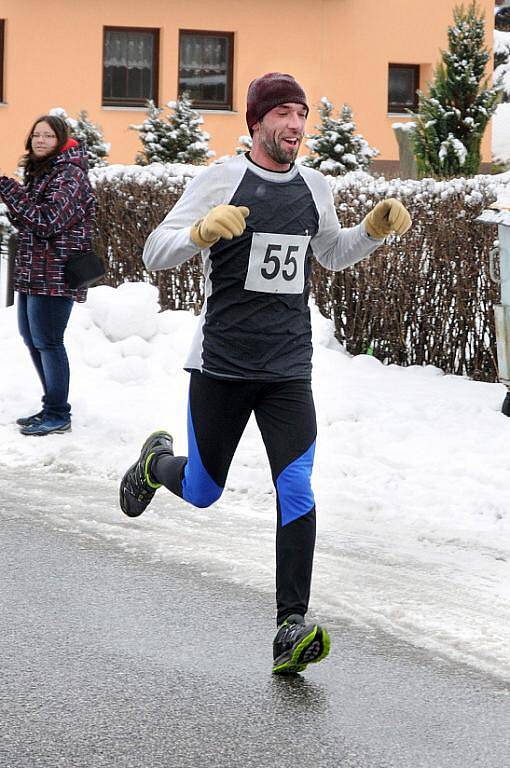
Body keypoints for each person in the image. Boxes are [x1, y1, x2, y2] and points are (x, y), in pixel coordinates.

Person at [119, 73, 411, 674]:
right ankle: (155, 464)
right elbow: (155, 248)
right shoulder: (221, 178)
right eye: (282, 113)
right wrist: (199, 234)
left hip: (286, 368)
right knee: (202, 491)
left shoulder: (315, 186)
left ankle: (289, 626)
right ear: (255, 123)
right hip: (221, 366)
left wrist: (372, 233)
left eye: (302, 113)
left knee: (298, 486)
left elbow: (330, 253)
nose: (295, 125)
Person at [0, 114, 96, 436]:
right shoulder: (43, 172)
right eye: (36, 135)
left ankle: (58, 413)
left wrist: (9, 191)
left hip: (55, 273)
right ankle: (51, 407)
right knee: (33, 340)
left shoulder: (70, 175)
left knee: (49, 342)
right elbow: (29, 222)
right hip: (33, 271)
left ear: (60, 140)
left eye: (47, 136)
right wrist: (17, 200)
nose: (40, 141)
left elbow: (47, 222)